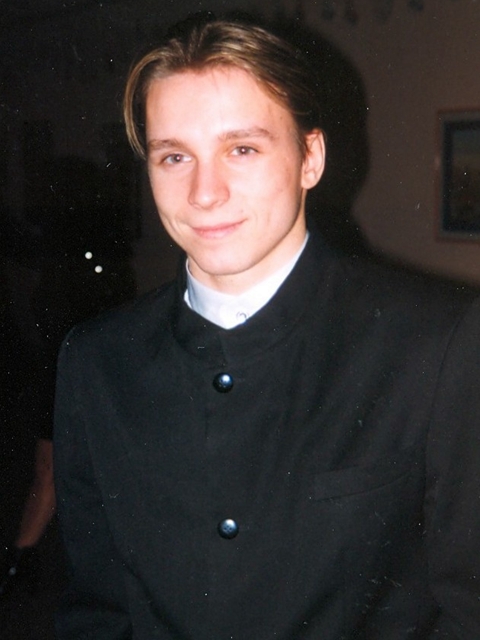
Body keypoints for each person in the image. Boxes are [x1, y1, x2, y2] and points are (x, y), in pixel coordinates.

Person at [53, 13, 480, 639]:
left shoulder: (438, 343)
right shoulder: (97, 360)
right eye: (175, 156)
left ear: (311, 158)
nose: (204, 192)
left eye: (242, 149)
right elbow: (96, 609)